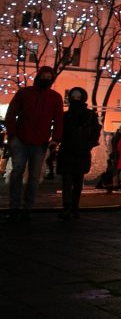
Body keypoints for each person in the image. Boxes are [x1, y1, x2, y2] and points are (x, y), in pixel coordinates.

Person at [4, 65, 64, 222]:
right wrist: (13, 136)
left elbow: (58, 120)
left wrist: (55, 139)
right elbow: (11, 114)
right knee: (18, 172)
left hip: (40, 141)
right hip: (22, 139)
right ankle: (15, 207)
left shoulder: (55, 97)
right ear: (39, 77)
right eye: (44, 77)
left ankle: (26, 208)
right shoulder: (25, 94)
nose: (46, 80)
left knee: (33, 176)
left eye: (48, 78)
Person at [57, 87, 101, 220]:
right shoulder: (65, 115)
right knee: (67, 181)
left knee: (77, 181)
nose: (76, 99)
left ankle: (74, 207)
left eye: (78, 97)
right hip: (67, 151)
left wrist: (89, 144)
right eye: (74, 97)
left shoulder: (90, 115)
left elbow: (95, 132)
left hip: (81, 151)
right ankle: (67, 207)